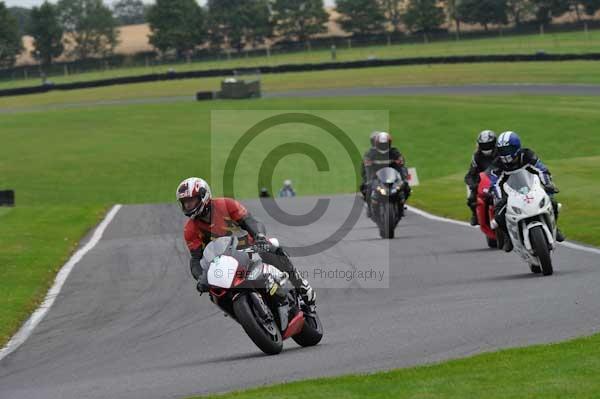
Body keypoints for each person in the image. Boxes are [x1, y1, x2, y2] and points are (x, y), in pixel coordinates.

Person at [176, 177, 315, 304]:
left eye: (191, 201)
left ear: (203, 195)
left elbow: (250, 220)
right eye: (185, 203)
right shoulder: (190, 229)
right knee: (214, 294)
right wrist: (201, 278)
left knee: (272, 246)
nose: (188, 206)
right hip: (223, 264)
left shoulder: (226, 204)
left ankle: (301, 284)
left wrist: (259, 236)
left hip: (249, 248)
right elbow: (196, 259)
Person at [490, 131, 565, 252]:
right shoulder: (497, 164)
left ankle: (555, 227)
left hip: (531, 187)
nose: (505, 153)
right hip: (509, 193)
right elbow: (495, 183)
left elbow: (542, 170)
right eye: (502, 150)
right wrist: (498, 197)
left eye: (508, 149)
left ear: (516, 147)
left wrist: (547, 184)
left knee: (553, 203)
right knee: (499, 216)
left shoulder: (527, 155)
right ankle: (508, 237)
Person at [360, 132, 411, 213]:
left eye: (386, 144)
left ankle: (402, 201)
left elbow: (401, 162)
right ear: (377, 143)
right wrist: (368, 179)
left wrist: (400, 162)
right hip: (376, 175)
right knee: (364, 186)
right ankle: (370, 205)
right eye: (381, 144)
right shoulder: (370, 153)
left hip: (391, 174)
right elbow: (366, 167)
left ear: (390, 143)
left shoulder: (394, 151)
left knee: (406, 186)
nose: (384, 146)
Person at [464, 130, 497, 226]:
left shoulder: (500, 153)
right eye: (484, 145)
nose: (486, 147)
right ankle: (475, 215)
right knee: (471, 199)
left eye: (489, 144)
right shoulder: (476, 156)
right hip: (484, 183)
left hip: (501, 180)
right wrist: (474, 185)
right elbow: (471, 174)